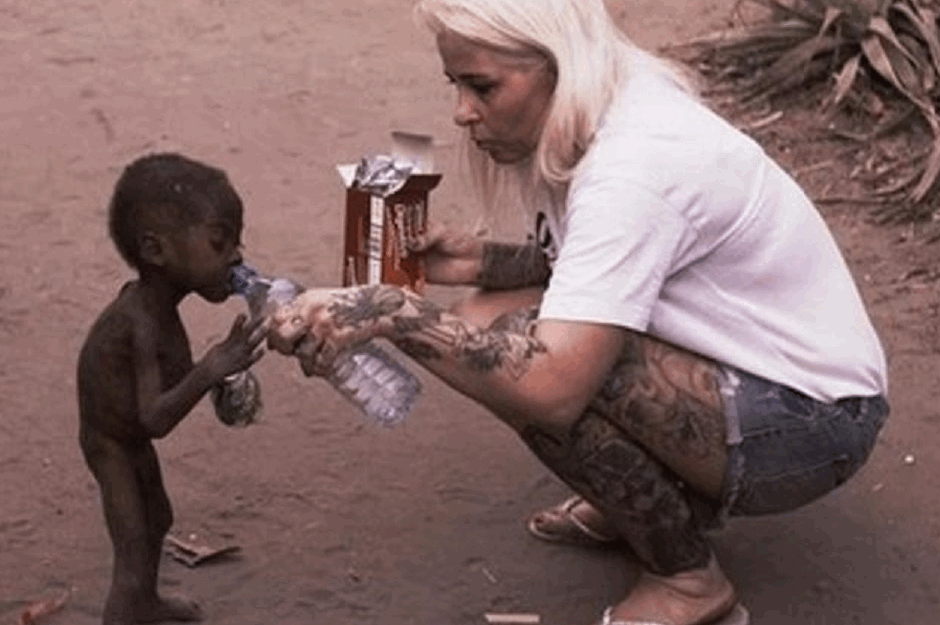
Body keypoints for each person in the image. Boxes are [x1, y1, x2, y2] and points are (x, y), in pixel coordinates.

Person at [268, 1, 890, 623]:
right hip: (760, 374)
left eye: (481, 86)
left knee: (512, 344)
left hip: (812, 423)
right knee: (494, 315)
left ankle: (687, 579)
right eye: (455, 84)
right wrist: (481, 262)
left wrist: (394, 311)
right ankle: (653, 500)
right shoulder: (602, 102)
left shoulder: (636, 168)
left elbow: (552, 389)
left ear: (558, 66)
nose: (461, 112)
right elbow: (596, 267)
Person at [77, 153, 266, 625]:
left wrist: (226, 380)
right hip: (112, 444)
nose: (237, 256)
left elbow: (173, 385)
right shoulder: (139, 321)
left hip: (130, 436)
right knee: (133, 543)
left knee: (157, 516)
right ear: (156, 251)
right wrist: (211, 368)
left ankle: (145, 605)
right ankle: (125, 610)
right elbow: (155, 419)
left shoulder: (162, 307)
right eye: (220, 243)